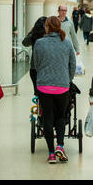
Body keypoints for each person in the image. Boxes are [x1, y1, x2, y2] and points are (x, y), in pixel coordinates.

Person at [33, 16, 76, 164]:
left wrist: (43, 76)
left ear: (47, 27)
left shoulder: (39, 43)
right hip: (62, 87)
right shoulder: (67, 43)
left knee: (48, 118)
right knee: (61, 116)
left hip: (44, 86)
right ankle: (60, 146)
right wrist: (67, 80)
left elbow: (36, 65)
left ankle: (51, 153)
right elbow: (72, 65)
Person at [22, 16, 47, 95]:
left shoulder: (34, 36)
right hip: (47, 67)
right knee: (45, 93)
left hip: (34, 68)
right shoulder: (49, 36)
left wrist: (32, 32)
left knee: (38, 92)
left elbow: (25, 43)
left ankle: (39, 104)